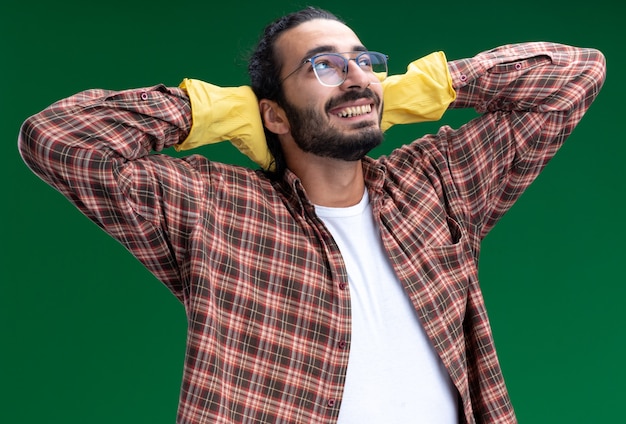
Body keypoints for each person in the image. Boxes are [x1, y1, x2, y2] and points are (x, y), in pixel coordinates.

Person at [18, 6, 605, 424]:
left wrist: (414, 89)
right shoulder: (213, 207)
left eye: (361, 62)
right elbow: (58, 141)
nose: (354, 76)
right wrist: (208, 110)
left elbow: (577, 76)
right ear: (270, 116)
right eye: (322, 66)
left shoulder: (436, 185)